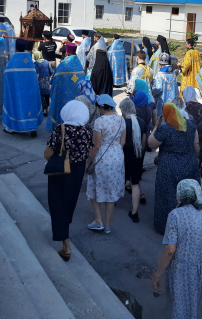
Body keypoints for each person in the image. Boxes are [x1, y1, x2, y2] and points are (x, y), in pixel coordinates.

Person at [152, 179, 202, 319]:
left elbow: (170, 250)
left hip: (182, 270)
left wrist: (158, 274)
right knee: (193, 301)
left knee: (180, 305)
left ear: (180, 195)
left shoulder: (175, 215)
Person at [44, 100, 94, 261]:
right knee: (69, 203)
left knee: (58, 204)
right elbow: (89, 149)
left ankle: (66, 246)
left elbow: (47, 154)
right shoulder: (87, 130)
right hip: (78, 171)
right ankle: (64, 236)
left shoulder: (61, 129)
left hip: (61, 172)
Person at [148, 103, 200, 234]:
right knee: (187, 197)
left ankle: (167, 227)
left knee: (167, 197)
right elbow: (196, 145)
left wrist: (156, 126)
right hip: (189, 165)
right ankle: (187, 225)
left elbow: (151, 143)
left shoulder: (166, 129)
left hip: (169, 168)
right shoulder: (191, 126)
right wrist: (194, 158)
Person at [86, 94, 126, 234]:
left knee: (94, 189)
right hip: (117, 157)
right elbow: (123, 142)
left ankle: (98, 220)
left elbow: (96, 146)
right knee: (111, 191)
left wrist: (87, 162)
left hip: (102, 158)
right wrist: (115, 152)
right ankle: (107, 225)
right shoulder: (121, 119)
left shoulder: (100, 122)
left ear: (102, 106)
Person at [2, 39, 43, 137]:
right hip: (30, 91)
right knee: (31, 105)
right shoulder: (29, 61)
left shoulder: (12, 61)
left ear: (15, 48)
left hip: (17, 91)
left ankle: (13, 128)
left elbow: (6, 75)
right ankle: (33, 127)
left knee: (16, 106)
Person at [119, 97, 147, 224]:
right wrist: (140, 155)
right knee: (135, 183)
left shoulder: (122, 122)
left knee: (120, 179)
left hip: (124, 156)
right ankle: (134, 212)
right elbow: (144, 142)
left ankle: (112, 202)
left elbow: (120, 142)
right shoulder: (141, 122)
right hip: (137, 156)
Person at [45, 46, 84, 133]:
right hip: (76, 96)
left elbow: (53, 81)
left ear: (66, 53)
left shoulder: (62, 65)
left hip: (62, 96)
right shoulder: (79, 65)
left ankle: (60, 130)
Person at [183, 86, 202, 172]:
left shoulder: (184, 106)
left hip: (187, 136)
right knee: (199, 153)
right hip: (201, 135)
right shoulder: (201, 106)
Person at [32, 50, 51, 114]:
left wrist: (35, 82)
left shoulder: (36, 63)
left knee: (40, 96)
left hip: (40, 82)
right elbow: (50, 71)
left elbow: (37, 74)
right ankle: (47, 109)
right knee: (46, 95)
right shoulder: (46, 62)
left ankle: (42, 109)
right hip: (47, 81)